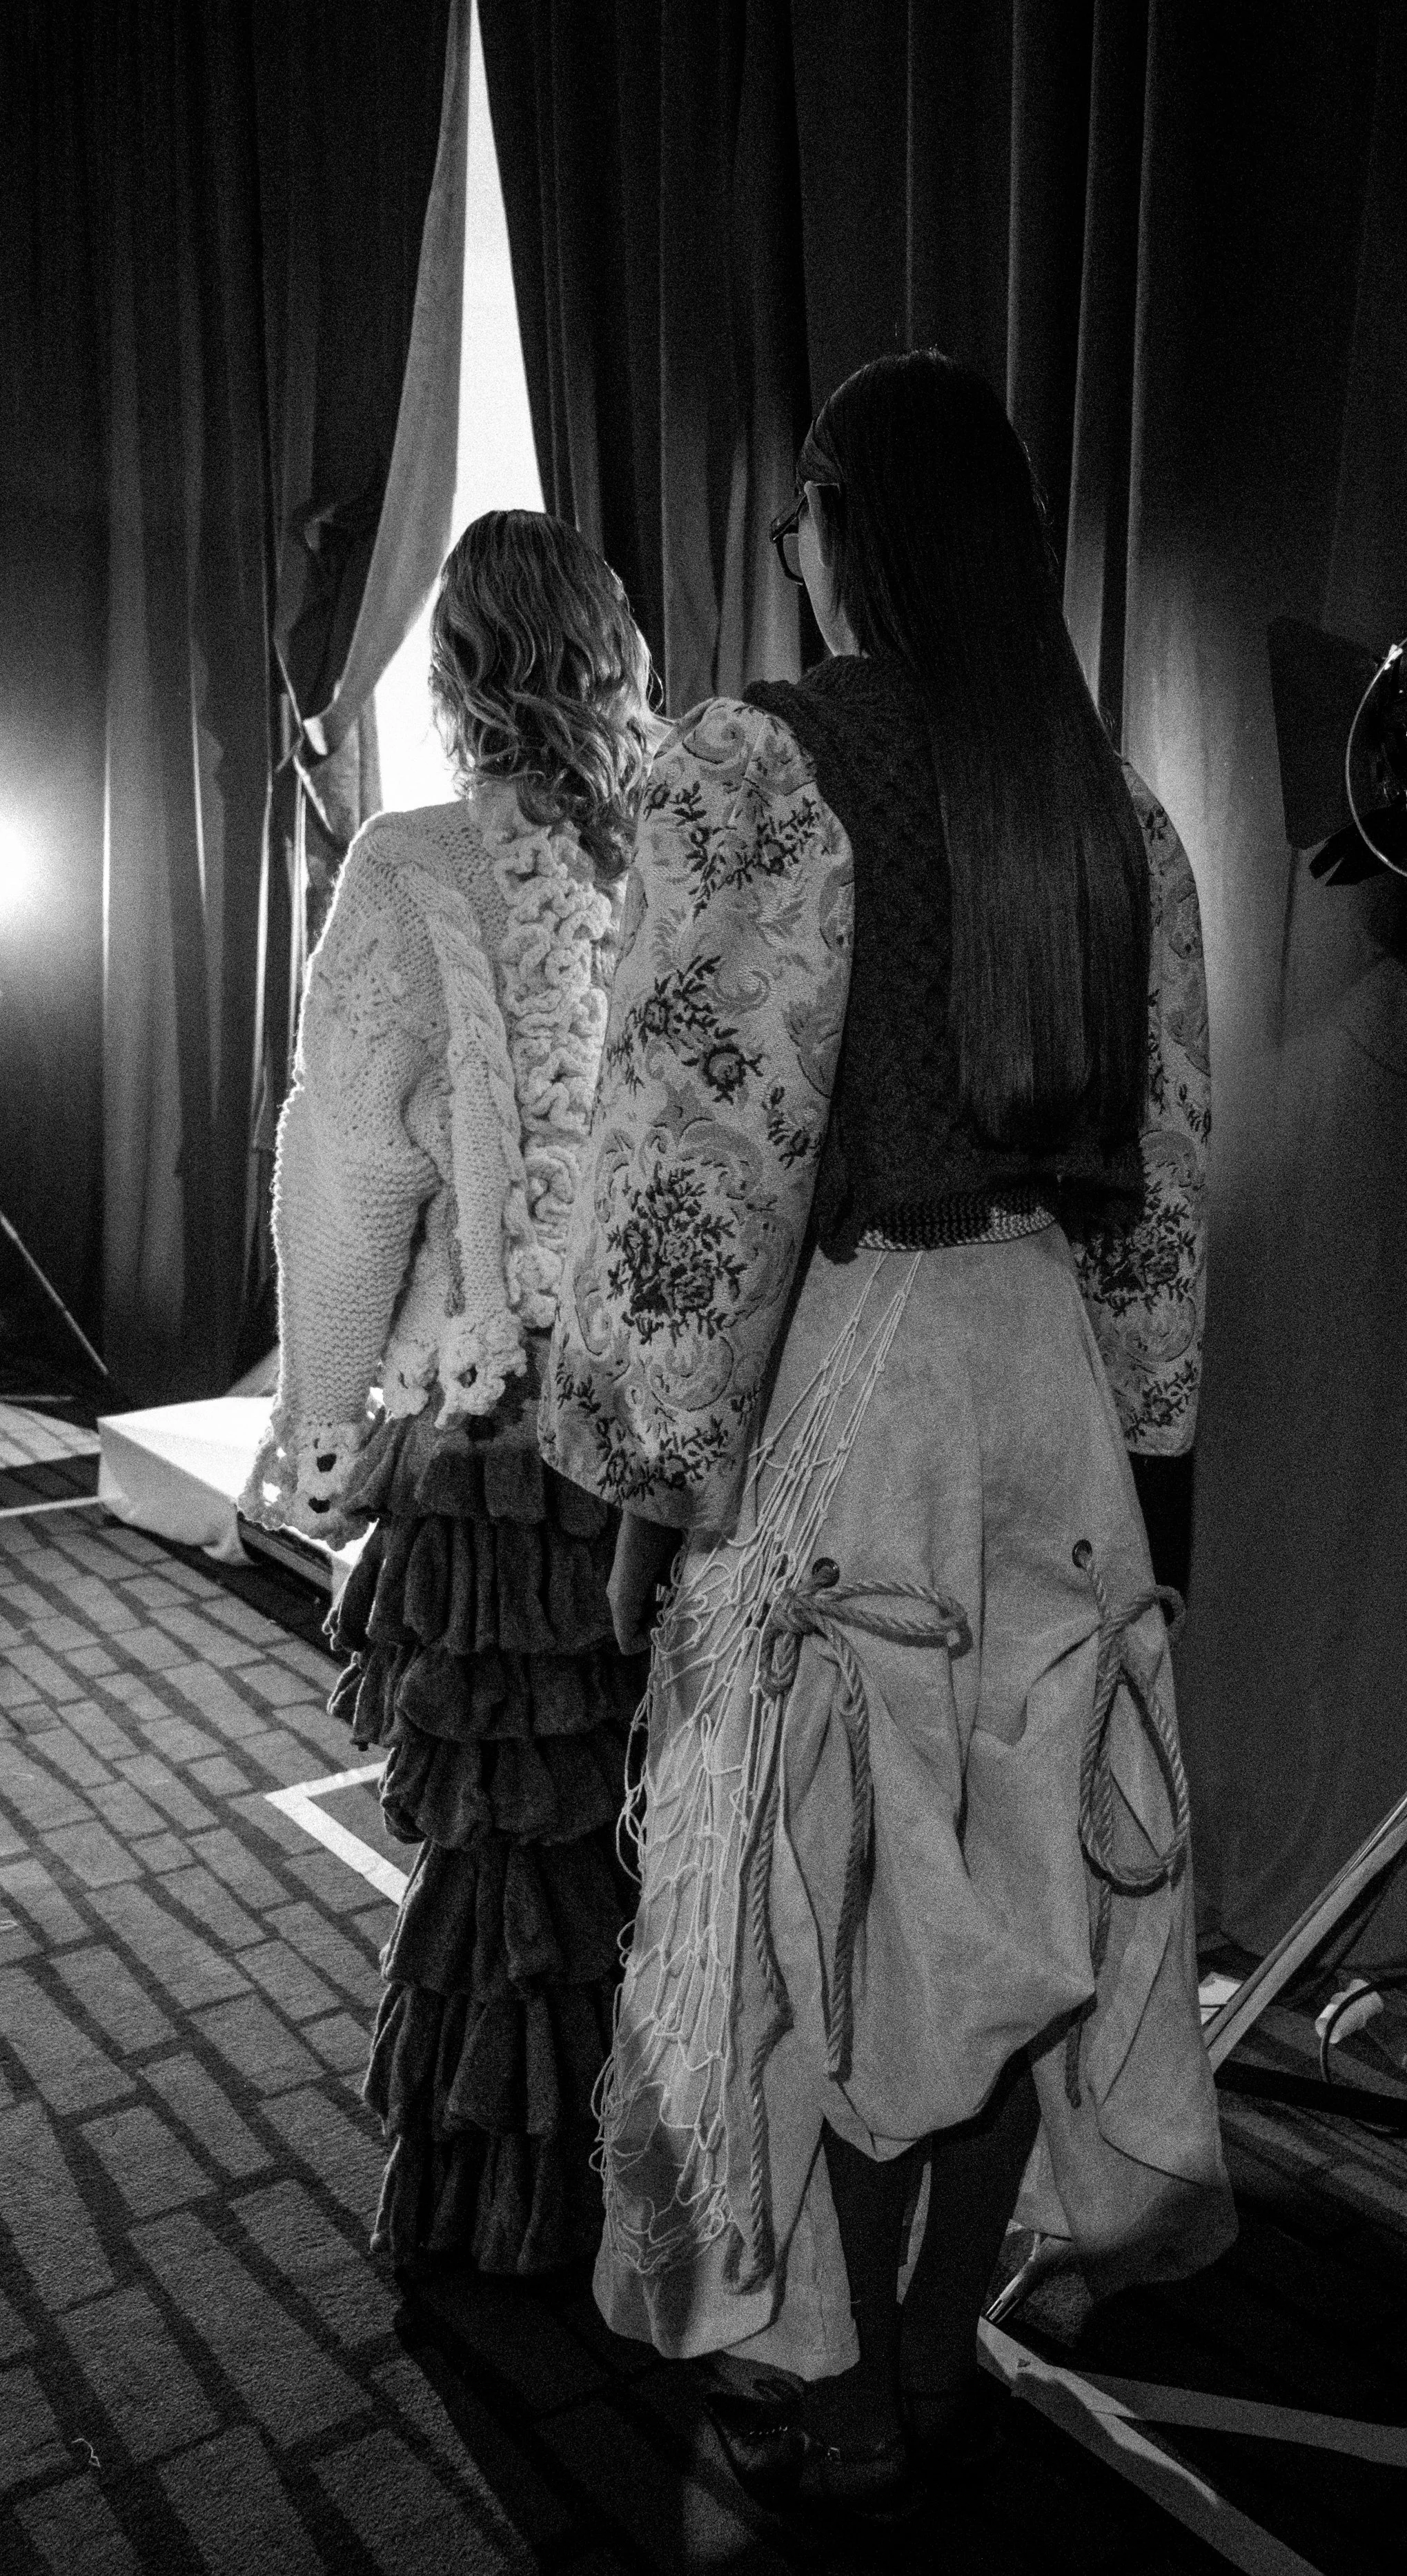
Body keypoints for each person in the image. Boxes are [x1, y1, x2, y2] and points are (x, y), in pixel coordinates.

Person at [541, 353, 1233, 2514]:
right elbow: (1163, 1198)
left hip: (856, 1375)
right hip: (1046, 1394)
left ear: (839, 523)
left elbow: (695, 1161)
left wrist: (657, 1479)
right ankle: (934, 2345)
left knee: (830, 1897)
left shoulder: (760, 768)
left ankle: (836, 2374)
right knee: (1019, 1863)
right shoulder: (1109, 809)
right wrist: (1150, 1470)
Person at [242, 509, 662, 2276]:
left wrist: (325, 1420)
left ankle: (510, 2215)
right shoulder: (679, 862)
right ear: (608, 657)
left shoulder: (407, 871)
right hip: (655, 1426)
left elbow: (345, 1177)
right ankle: (645, 2193)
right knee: (639, 1821)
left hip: (490, 1434)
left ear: (453, 673)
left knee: (499, 1853)